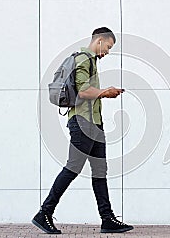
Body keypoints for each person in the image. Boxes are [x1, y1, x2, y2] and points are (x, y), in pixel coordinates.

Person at [32, 27, 133, 234]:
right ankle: (44, 213)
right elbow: (84, 90)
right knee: (73, 168)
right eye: (108, 46)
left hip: (95, 123)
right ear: (99, 41)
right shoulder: (83, 59)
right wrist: (106, 92)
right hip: (82, 122)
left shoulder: (91, 61)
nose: (108, 51)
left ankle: (107, 219)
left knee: (99, 171)